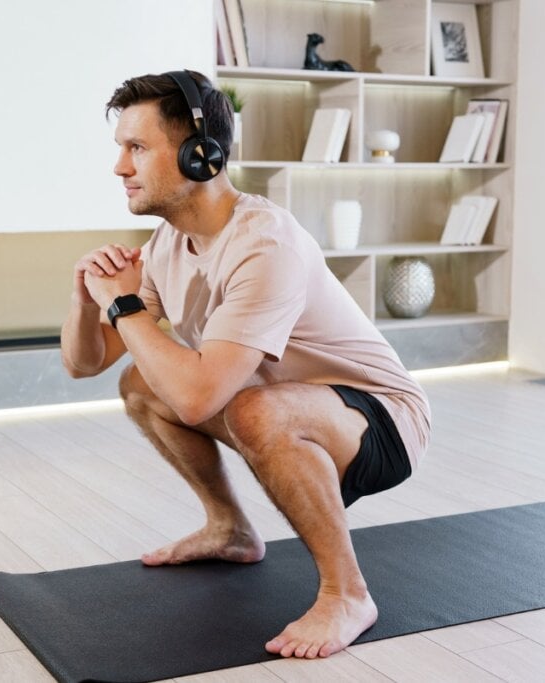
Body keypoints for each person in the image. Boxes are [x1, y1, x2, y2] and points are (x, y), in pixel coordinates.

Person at [61, 69, 431, 659]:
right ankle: (228, 529)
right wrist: (87, 298)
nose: (120, 168)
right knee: (141, 382)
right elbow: (87, 364)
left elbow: (197, 401)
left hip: (382, 422)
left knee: (252, 408)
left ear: (198, 154)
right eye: (120, 149)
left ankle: (348, 594)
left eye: (136, 148)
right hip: (285, 403)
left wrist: (125, 302)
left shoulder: (264, 242)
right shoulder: (166, 245)